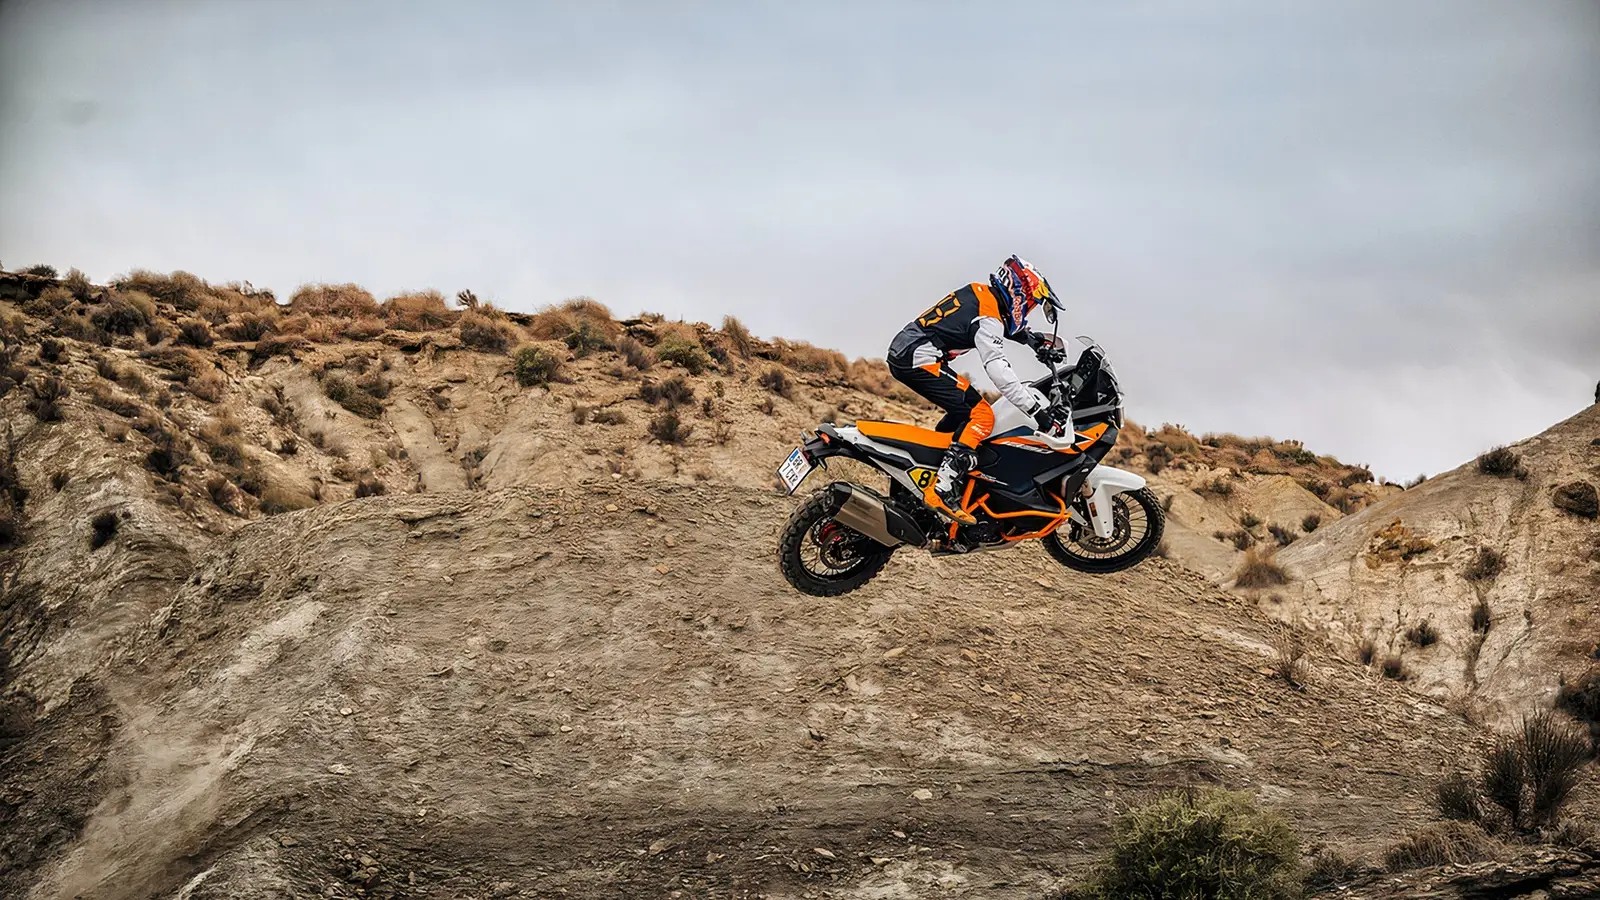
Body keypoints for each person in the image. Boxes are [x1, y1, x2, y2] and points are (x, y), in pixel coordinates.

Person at [886, 255, 1068, 525]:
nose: (1027, 311)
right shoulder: (989, 319)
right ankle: (942, 489)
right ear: (1018, 294)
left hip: (909, 350)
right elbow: (998, 370)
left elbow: (996, 322)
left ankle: (932, 465)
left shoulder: (979, 293)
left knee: (962, 414)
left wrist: (1033, 340)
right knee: (981, 415)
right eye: (1029, 304)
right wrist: (1037, 413)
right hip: (917, 358)